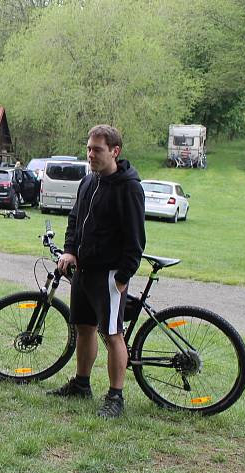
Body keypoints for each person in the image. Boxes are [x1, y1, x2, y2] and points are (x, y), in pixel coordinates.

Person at [50, 124, 146, 418]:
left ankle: (116, 396)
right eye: (88, 148)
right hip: (84, 270)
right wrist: (69, 250)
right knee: (84, 329)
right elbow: (75, 218)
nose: (90, 154)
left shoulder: (129, 187)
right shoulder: (88, 181)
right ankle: (81, 384)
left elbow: (135, 240)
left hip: (109, 274)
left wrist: (122, 277)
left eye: (97, 150)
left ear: (114, 151)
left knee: (112, 333)